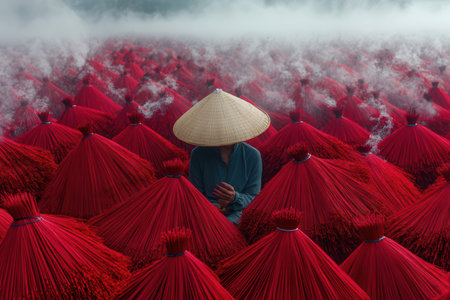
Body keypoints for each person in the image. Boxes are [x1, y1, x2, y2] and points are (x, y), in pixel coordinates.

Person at [173, 89, 270, 225]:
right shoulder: (198, 154)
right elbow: (195, 195)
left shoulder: (252, 155)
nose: (223, 131)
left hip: (239, 215)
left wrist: (235, 197)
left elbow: (254, 198)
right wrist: (210, 206)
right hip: (206, 215)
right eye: (218, 126)